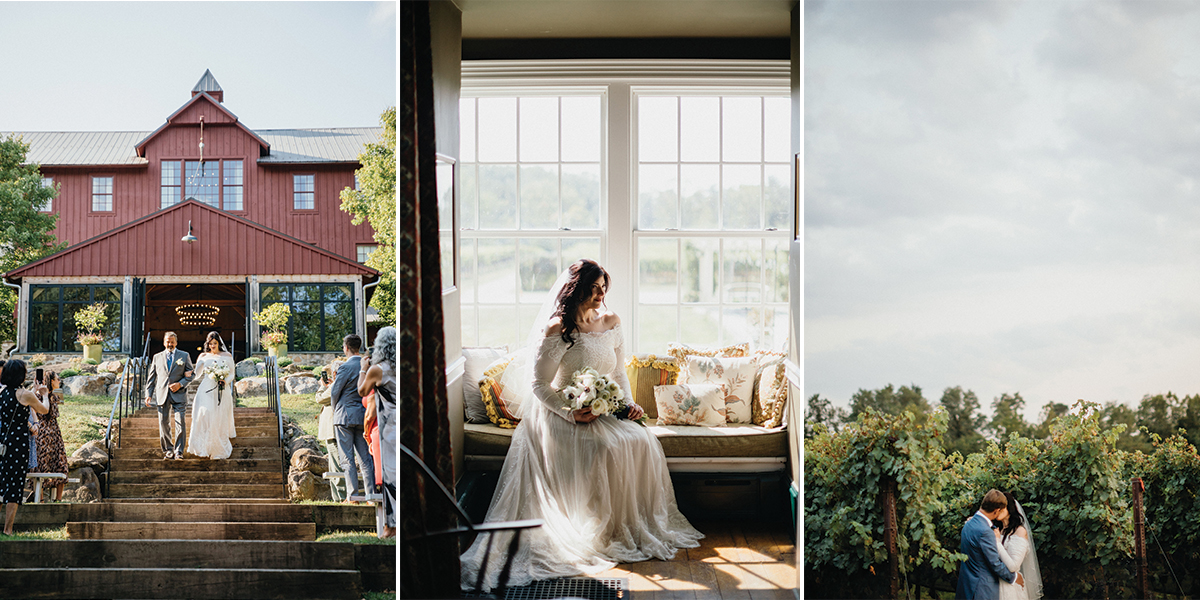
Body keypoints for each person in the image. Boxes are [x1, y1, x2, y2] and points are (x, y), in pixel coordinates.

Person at [459, 259, 703, 592]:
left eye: (604, 287)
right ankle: (590, 528)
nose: (601, 294)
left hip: (603, 406)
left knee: (642, 439)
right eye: (594, 287)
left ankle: (620, 527)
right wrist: (569, 411)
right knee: (602, 447)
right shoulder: (558, 328)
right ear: (577, 288)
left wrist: (627, 405)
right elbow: (539, 384)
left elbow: (617, 374)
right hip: (560, 411)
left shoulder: (612, 321)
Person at [1, 360, 50, 535]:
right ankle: (8, 529)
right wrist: (44, 394)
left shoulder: (1, 392)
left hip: (2, 443)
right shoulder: (25, 394)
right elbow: (44, 410)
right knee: (14, 487)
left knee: (1, 485)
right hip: (18, 445)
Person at [358, 327, 396, 539]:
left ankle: (390, 527)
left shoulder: (377, 369)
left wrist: (364, 368)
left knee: (390, 477)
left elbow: (362, 391)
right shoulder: (401, 367)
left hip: (389, 426)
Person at [331, 334, 375, 502]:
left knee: (347, 458)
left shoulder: (345, 367)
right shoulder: (369, 366)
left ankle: (353, 495)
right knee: (365, 458)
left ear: (346, 348)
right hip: (363, 415)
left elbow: (335, 393)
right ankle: (371, 495)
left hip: (344, 416)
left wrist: (336, 410)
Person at [957, 489, 1023, 600]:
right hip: (982, 590)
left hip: (966, 585)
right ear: (997, 511)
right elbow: (995, 563)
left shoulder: (968, 524)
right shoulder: (985, 531)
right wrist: (1014, 577)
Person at [144, 332, 195, 460]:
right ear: (164, 342)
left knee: (180, 421)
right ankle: (168, 450)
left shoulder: (184, 355)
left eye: (172, 342)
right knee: (163, 423)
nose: (170, 344)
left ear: (176, 342)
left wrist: (181, 384)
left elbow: (191, 375)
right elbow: (151, 378)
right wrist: (148, 394)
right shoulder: (157, 357)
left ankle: (179, 451)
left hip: (179, 394)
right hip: (162, 394)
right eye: (168, 342)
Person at [187, 331, 237, 459]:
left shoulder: (227, 355)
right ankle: (203, 446)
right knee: (205, 412)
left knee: (218, 417)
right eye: (210, 344)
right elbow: (197, 374)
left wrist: (225, 381)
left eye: (214, 343)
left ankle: (216, 447)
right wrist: (187, 374)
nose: (212, 346)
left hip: (221, 389)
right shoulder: (203, 356)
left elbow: (231, 373)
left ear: (219, 343)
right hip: (206, 388)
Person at [992, 491, 1043, 600]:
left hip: (1010, 588)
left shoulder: (1019, 531)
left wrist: (996, 542)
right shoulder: (998, 530)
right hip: (994, 584)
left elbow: (1013, 566)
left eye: (1001, 507)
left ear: (1009, 507)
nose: (997, 510)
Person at [34, 371, 68, 502]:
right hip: (50, 433)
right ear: (52, 381)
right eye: (57, 379)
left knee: (42, 463)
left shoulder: (47, 396)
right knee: (59, 462)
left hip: (45, 433)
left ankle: (42, 499)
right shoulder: (50, 397)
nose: (59, 381)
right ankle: (56, 500)